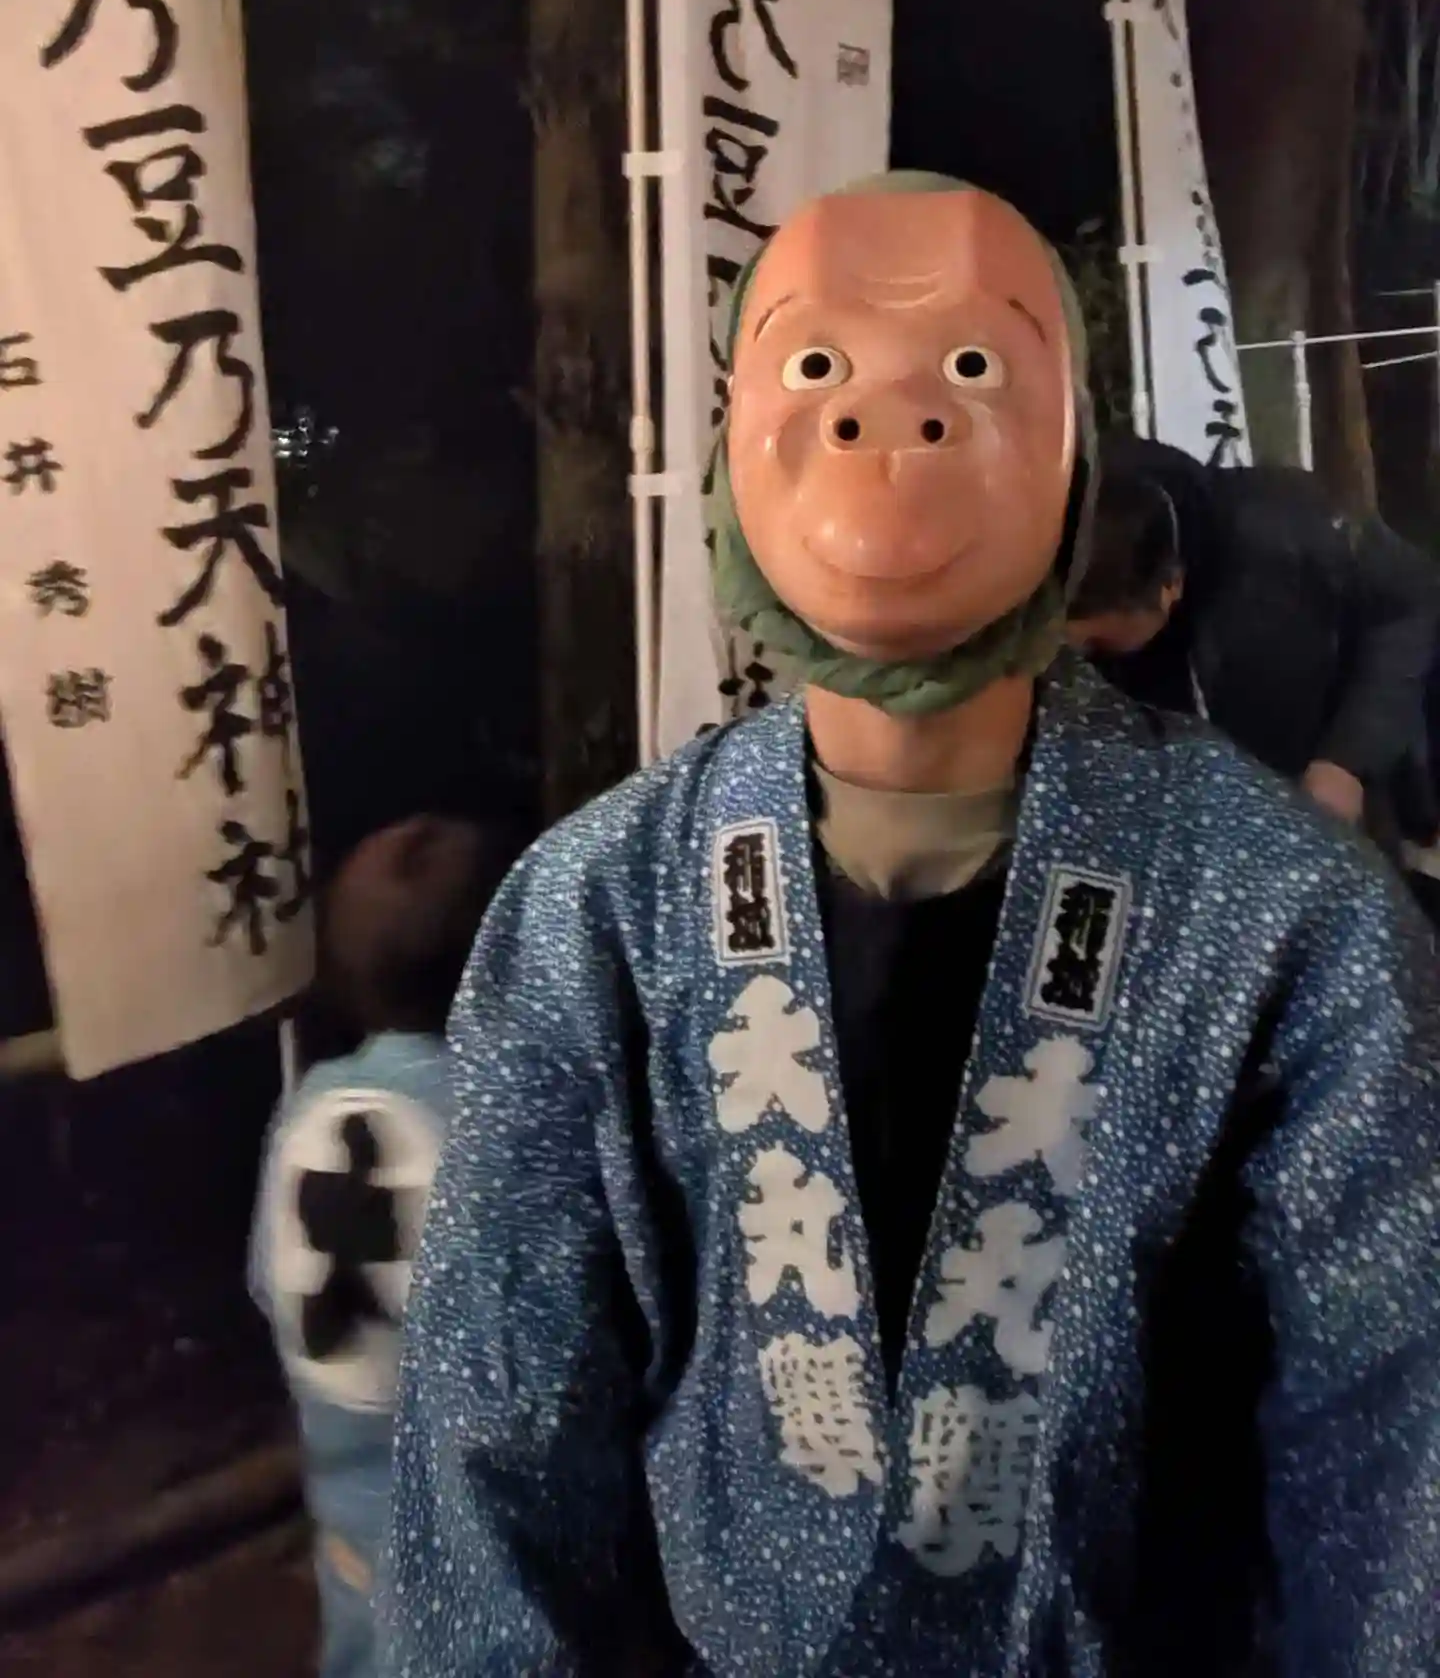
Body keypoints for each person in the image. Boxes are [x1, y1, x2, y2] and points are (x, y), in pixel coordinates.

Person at [383, 174, 1440, 1676]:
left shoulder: (1295, 919)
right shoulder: (597, 908)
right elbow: (494, 1462)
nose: (892, 419)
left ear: (1073, 454)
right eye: (817, 363)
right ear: (732, 447)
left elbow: (1392, 1473)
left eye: (973, 365)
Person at [250, 814, 520, 1678]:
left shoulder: (310, 1110)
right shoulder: (501, 1120)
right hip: (485, 1570)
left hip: (352, 1538)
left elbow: (268, 1285)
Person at [1067, 436, 1440, 831]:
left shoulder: (1294, 524)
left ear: (1169, 588)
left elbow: (1409, 605)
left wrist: (1347, 759)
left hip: (1329, 789)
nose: (1082, 661)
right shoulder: (1065, 525)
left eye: (1096, 646)